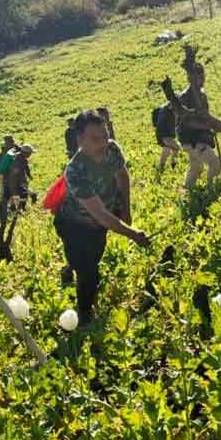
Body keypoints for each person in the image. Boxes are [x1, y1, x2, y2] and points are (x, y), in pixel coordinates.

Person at [54, 110, 149, 324]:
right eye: (95, 139)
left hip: (98, 225)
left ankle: (71, 267)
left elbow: (122, 176)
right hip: (74, 225)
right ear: (80, 140)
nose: (103, 142)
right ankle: (85, 318)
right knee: (89, 275)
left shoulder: (112, 150)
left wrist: (126, 209)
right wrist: (133, 233)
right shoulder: (75, 171)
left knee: (93, 258)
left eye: (104, 135)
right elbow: (100, 214)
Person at [177, 65, 221, 190]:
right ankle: (210, 190)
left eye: (203, 76)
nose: (202, 80)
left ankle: (187, 191)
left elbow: (205, 116)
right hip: (193, 140)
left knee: (196, 168)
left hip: (198, 139)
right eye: (199, 77)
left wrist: (212, 124)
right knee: (215, 165)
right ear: (190, 79)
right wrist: (208, 126)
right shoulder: (185, 97)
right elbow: (187, 122)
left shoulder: (202, 95)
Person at [153, 103, 179, 172]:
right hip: (164, 135)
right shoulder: (167, 110)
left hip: (166, 134)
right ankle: (173, 162)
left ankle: (161, 166)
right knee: (176, 147)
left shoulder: (166, 109)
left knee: (166, 150)